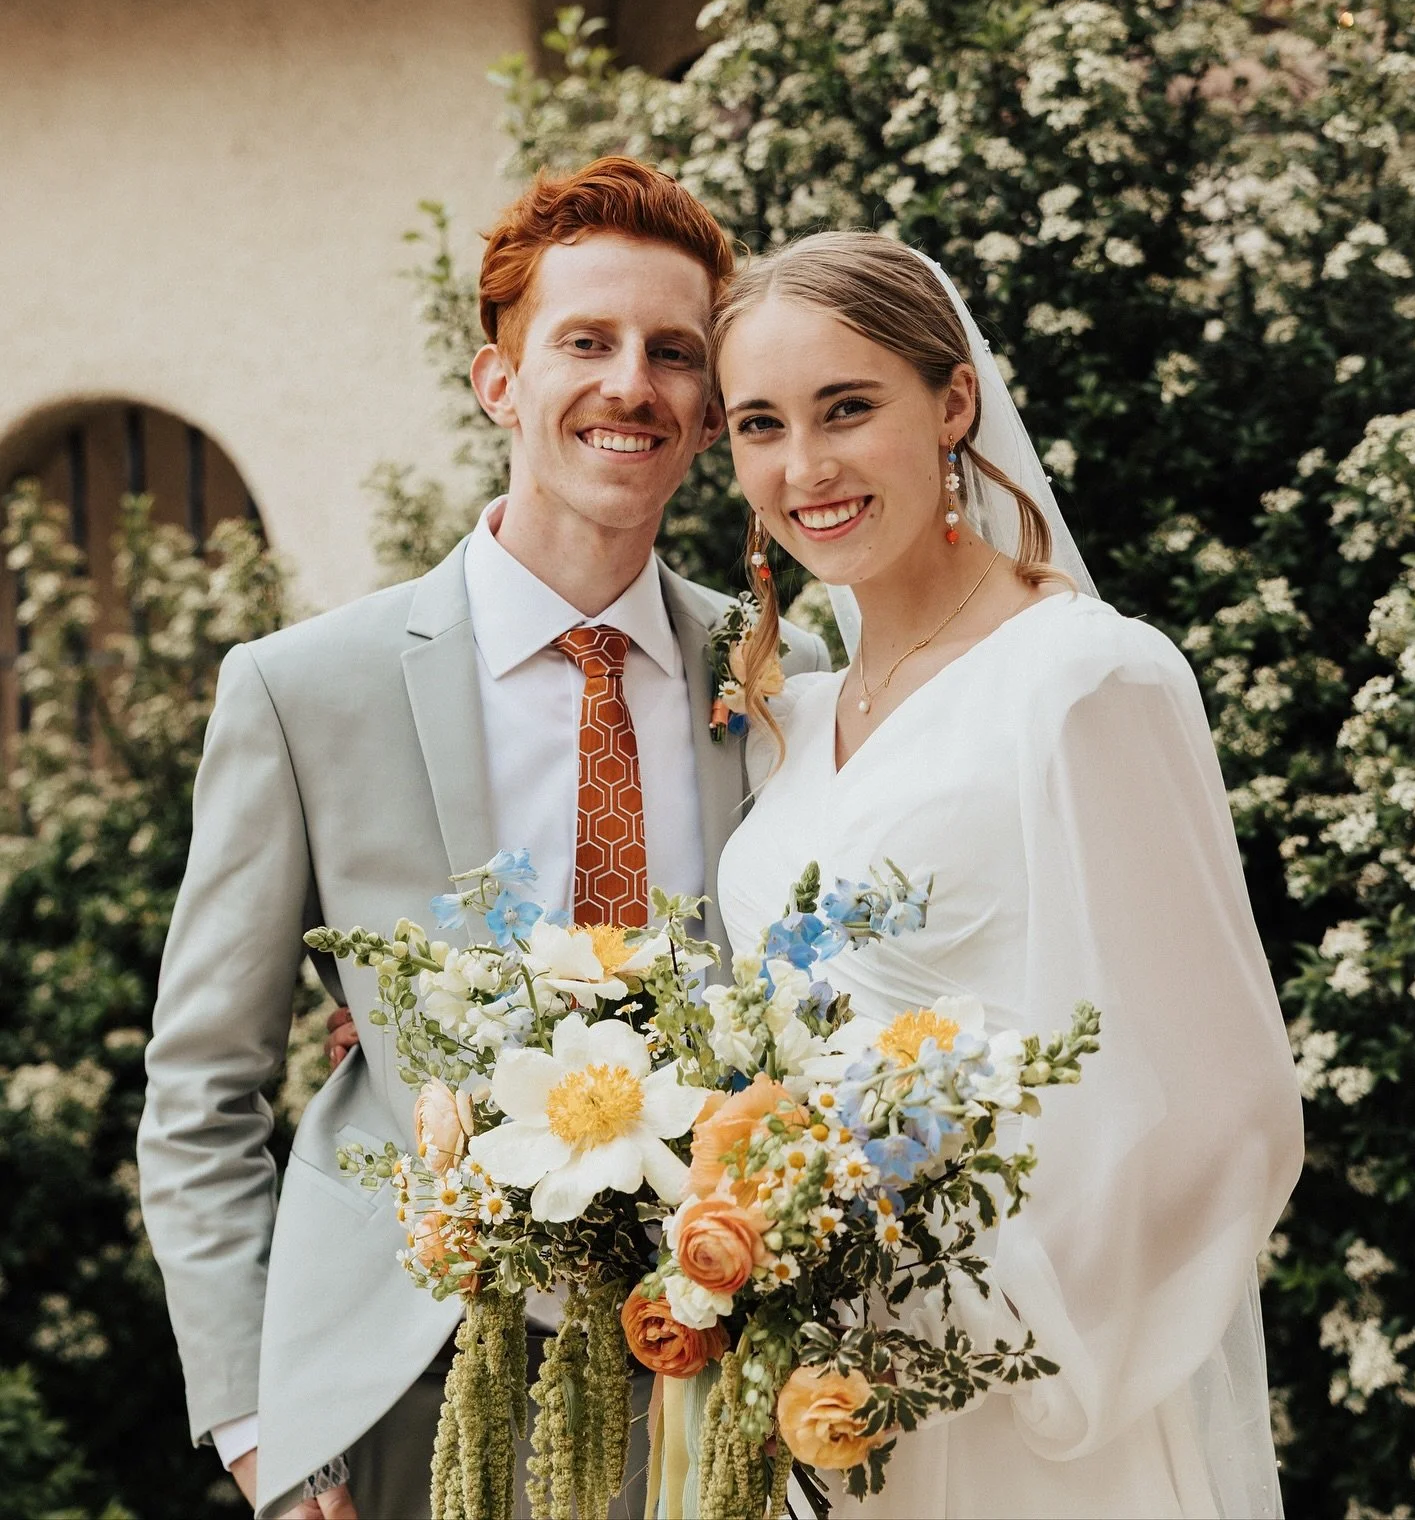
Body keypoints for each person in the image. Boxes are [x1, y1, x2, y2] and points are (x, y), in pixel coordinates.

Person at [136, 158, 829, 1520]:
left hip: (722, 1374)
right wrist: (263, 1429)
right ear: (499, 382)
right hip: (407, 1388)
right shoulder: (305, 690)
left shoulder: (784, 678)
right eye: (587, 341)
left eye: (672, 352)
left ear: (706, 411)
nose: (631, 382)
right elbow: (201, 1092)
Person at [710, 231, 1304, 1520]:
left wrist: (977, 1319)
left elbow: (1225, 1103)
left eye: (847, 408)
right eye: (760, 425)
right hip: (809, 1387)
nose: (803, 468)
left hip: (1025, 1399)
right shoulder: (794, 714)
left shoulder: (1086, 678)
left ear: (954, 402)